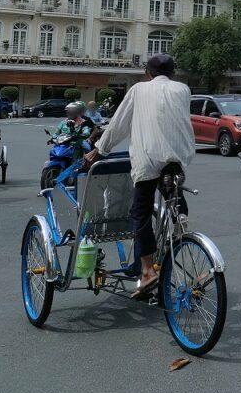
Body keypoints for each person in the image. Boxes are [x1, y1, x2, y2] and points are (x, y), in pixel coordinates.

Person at [83, 54, 194, 298]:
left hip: (147, 158)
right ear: (173, 73)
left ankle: (147, 271)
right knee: (171, 190)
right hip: (177, 155)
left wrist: (100, 150)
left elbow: (119, 124)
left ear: (147, 73)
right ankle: (181, 219)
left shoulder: (138, 90)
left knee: (140, 213)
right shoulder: (183, 90)